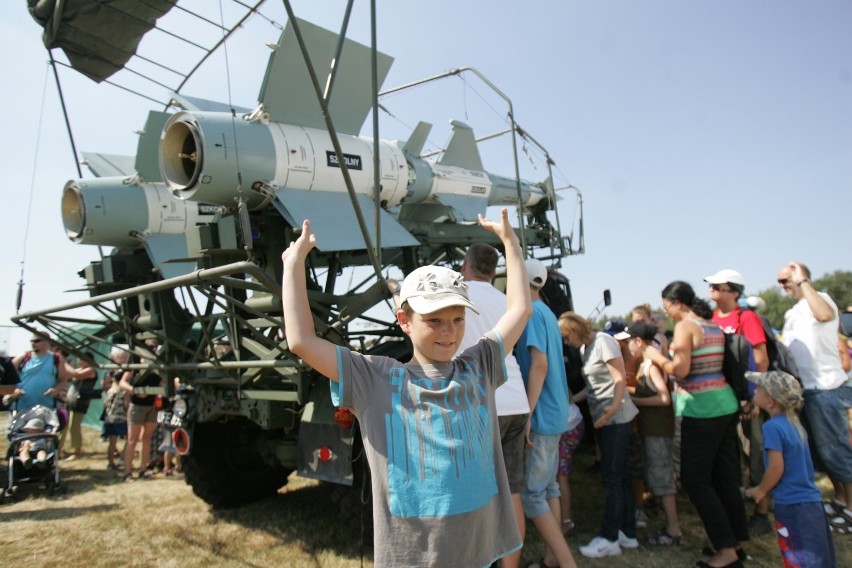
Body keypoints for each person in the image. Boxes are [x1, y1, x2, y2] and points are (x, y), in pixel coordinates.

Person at [281, 209, 538, 567]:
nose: (449, 331)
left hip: (476, 553)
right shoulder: (374, 378)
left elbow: (520, 309)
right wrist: (293, 265)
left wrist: (510, 242)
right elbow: (302, 342)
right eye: (434, 320)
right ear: (404, 320)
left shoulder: (479, 366)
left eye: (458, 320)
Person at [644, 281, 749, 568]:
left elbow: (680, 370)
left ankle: (725, 552)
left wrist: (656, 357)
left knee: (695, 480)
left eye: (666, 306)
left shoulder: (685, 326)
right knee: (724, 477)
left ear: (677, 302)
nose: (666, 311)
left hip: (702, 410)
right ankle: (735, 543)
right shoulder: (710, 323)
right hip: (725, 404)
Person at [458, 243, 530, 568]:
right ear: (493, 270)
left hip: (478, 399)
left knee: (473, 493)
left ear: (465, 265)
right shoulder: (506, 300)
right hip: (515, 397)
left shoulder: (457, 292)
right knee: (511, 491)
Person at [559, 312, 639, 558]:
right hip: (604, 418)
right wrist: (573, 398)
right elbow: (592, 386)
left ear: (574, 331)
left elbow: (619, 379)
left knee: (611, 477)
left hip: (615, 417)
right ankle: (627, 532)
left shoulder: (604, 341)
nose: (565, 343)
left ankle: (609, 538)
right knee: (620, 476)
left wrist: (611, 410)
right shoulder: (586, 348)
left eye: (566, 337)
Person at [777, 261, 852, 523]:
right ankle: (841, 500)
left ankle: (851, 508)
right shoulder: (793, 312)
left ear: (801, 278)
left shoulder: (820, 299)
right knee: (823, 453)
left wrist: (803, 281)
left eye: (786, 280)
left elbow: (824, 316)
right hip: (806, 389)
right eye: (780, 281)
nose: (783, 286)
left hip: (825, 387)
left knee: (835, 450)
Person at [514, 258, 577, 568]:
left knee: (532, 496)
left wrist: (526, 412)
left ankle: (566, 563)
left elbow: (539, 364)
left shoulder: (533, 315)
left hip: (541, 416)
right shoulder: (548, 313)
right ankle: (553, 559)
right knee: (549, 488)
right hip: (554, 414)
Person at [744, 370, 836, 568]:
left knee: (799, 556)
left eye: (759, 388)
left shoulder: (772, 428)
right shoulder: (794, 424)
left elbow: (776, 468)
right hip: (811, 502)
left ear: (770, 402)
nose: (755, 391)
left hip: (793, 505)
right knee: (819, 555)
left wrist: (761, 490)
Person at [705, 268, 773, 536]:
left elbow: (761, 357)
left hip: (748, 397)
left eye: (717, 286)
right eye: (711, 286)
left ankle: (762, 513)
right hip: (725, 398)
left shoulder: (747, 318)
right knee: (732, 456)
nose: (712, 290)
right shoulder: (711, 318)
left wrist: (757, 395)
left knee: (755, 453)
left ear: (733, 292)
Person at [616, 322, 683, 546]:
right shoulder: (646, 364)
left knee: (663, 480)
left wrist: (634, 400)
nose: (627, 346)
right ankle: (670, 526)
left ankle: (674, 530)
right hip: (651, 430)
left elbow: (663, 398)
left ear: (638, 342)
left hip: (658, 432)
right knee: (658, 477)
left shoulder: (651, 366)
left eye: (629, 341)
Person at [120, 364, 163, 482]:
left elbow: (164, 383)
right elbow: (122, 383)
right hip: (137, 406)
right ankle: (127, 472)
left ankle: (144, 469)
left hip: (152, 406)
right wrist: (135, 390)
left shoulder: (158, 367)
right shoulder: (135, 364)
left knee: (147, 438)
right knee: (132, 440)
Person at [7, 334, 71, 412]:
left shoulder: (57, 358)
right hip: (20, 408)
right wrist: (15, 390)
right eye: (31, 341)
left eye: (37, 341)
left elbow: (63, 380)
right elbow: (6, 377)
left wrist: (56, 390)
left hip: (46, 408)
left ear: (47, 342)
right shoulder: (23, 357)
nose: (33, 343)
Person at [61, 352, 98, 460]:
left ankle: (77, 452)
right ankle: (59, 448)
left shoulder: (91, 370)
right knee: (64, 425)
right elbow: (68, 375)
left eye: (81, 358)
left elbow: (76, 375)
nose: (78, 360)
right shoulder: (78, 369)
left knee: (74, 426)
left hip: (81, 402)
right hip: (70, 401)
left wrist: (65, 363)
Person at [102, 345, 130, 471]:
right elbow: (104, 385)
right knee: (116, 439)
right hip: (117, 412)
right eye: (120, 357)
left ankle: (118, 460)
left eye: (124, 357)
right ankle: (114, 462)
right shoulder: (111, 372)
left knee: (122, 438)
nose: (122, 359)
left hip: (115, 412)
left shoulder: (126, 370)